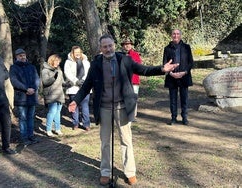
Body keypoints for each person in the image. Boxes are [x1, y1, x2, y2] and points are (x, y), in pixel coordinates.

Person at [68, 34, 178, 186]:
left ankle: (130, 172)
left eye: (110, 45)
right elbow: (87, 85)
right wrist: (76, 100)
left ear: (114, 45)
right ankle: (105, 172)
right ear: (100, 48)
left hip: (122, 107)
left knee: (126, 140)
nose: (108, 49)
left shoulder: (124, 59)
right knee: (105, 142)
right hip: (105, 107)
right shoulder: (96, 64)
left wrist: (161, 69)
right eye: (105, 46)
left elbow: (143, 70)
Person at [163, 29, 193, 125]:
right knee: (173, 99)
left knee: (184, 99)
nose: (175, 35)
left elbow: (191, 62)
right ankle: (173, 118)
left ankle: (184, 118)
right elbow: (164, 63)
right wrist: (171, 73)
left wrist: (184, 72)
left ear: (180, 35)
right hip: (172, 77)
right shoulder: (167, 48)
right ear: (171, 35)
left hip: (184, 76)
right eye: (174, 34)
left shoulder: (186, 47)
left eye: (177, 34)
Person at [10, 48, 40, 146]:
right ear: (16, 57)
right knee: (23, 118)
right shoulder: (13, 68)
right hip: (21, 96)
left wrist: (34, 88)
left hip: (32, 96)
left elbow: (37, 79)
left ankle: (31, 136)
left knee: (31, 117)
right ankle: (24, 138)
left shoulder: (31, 67)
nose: (22, 57)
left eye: (24, 55)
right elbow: (14, 81)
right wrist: (26, 89)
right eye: (20, 55)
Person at [64, 46, 91, 131]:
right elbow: (67, 73)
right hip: (73, 87)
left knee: (85, 106)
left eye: (79, 52)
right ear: (72, 53)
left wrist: (83, 80)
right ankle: (75, 123)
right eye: (75, 52)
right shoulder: (68, 62)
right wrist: (76, 81)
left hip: (84, 86)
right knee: (74, 106)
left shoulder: (86, 62)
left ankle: (86, 124)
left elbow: (88, 72)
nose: (77, 54)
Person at [41, 54, 65, 137]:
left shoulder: (59, 71)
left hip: (60, 95)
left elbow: (62, 83)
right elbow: (45, 82)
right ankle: (48, 130)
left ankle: (57, 129)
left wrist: (69, 83)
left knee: (58, 112)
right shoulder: (45, 71)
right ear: (51, 61)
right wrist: (53, 77)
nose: (58, 63)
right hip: (51, 95)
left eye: (59, 61)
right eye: (56, 61)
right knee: (52, 112)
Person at [121, 39, 142, 121]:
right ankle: (125, 114)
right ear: (123, 46)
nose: (127, 46)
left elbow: (139, 66)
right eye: (125, 44)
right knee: (124, 98)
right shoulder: (120, 55)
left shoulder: (135, 54)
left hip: (134, 80)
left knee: (133, 98)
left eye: (129, 44)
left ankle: (133, 115)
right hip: (124, 80)